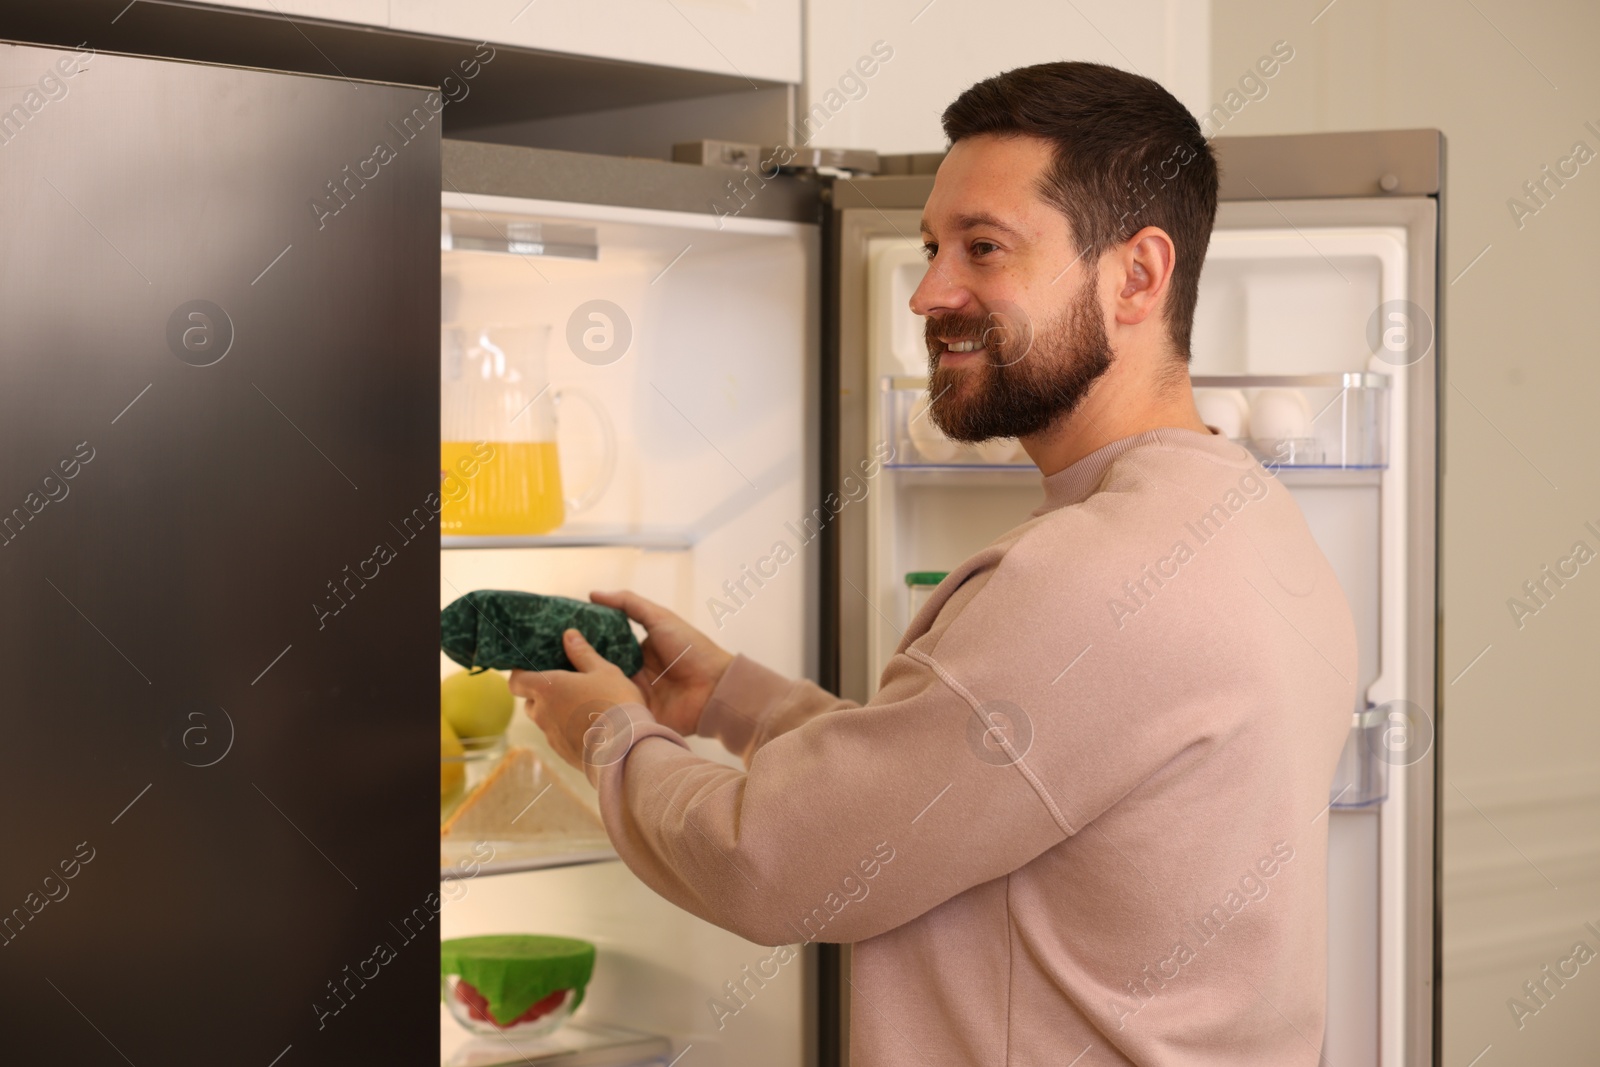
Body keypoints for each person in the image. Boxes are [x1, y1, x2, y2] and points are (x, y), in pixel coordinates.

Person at [510, 61, 1356, 1067]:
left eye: (984, 249)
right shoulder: (1248, 517)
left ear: (1136, 275)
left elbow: (769, 860)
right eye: (928, 246)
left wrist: (606, 732)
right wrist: (732, 698)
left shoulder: (1087, 578)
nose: (926, 292)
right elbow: (962, 789)